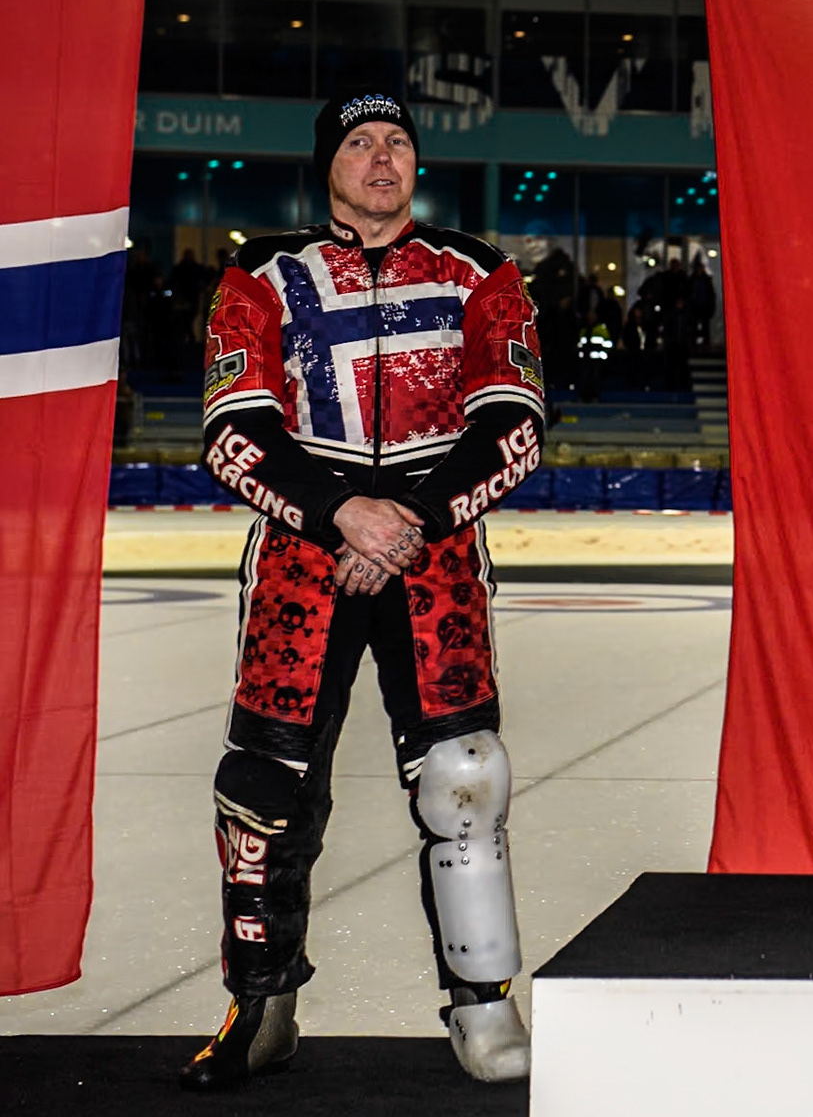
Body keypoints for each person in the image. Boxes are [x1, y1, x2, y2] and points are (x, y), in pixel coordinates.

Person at [182, 89, 546, 1090]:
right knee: (264, 788)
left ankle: (483, 1004)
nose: (381, 157)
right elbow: (230, 429)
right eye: (359, 142)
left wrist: (408, 523)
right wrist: (343, 511)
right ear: (327, 165)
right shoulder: (260, 275)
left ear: (416, 165)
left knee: (466, 778)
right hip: (305, 557)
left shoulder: (481, 269)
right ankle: (260, 1002)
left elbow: (515, 422)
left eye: (397, 142)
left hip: (435, 559)